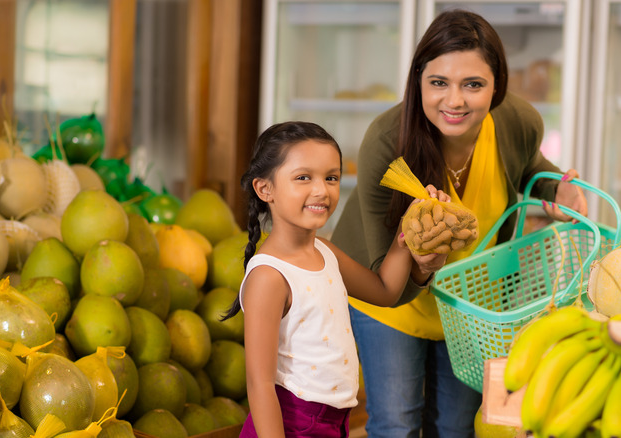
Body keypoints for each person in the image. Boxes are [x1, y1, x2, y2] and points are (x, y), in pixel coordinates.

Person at [330, 9, 588, 437]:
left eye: (473, 84)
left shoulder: (517, 122)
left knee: (456, 426)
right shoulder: (385, 140)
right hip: (389, 301)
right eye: (439, 83)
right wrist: (423, 264)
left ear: (497, 86)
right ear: (418, 81)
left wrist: (556, 188)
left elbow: (530, 166)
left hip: (471, 302)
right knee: (396, 423)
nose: (454, 101)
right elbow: (382, 280)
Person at [221, 121, 450, 437]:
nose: (321, 190)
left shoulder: (324, 251)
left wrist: (407, 233)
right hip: (293, 423)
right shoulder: (269, 276)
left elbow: (384, 291)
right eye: (303, 177)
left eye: (331, 177)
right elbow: (259, 384)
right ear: (265, 189)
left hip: (332, 421)